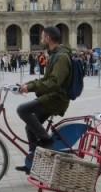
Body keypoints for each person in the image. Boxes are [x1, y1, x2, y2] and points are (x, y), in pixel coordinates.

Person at [15, 26, 72, 173]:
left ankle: (47, 140)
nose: (40, 40)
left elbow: (53, 83)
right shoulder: (54, 55)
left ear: (47, 38)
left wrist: (31, 88)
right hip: (51, 97)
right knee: (30, 126)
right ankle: (34, 163)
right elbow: (46, 79)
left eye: (41, 37)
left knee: (22, 110)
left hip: (56, 99)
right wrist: (28, 85)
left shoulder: (61, 57)